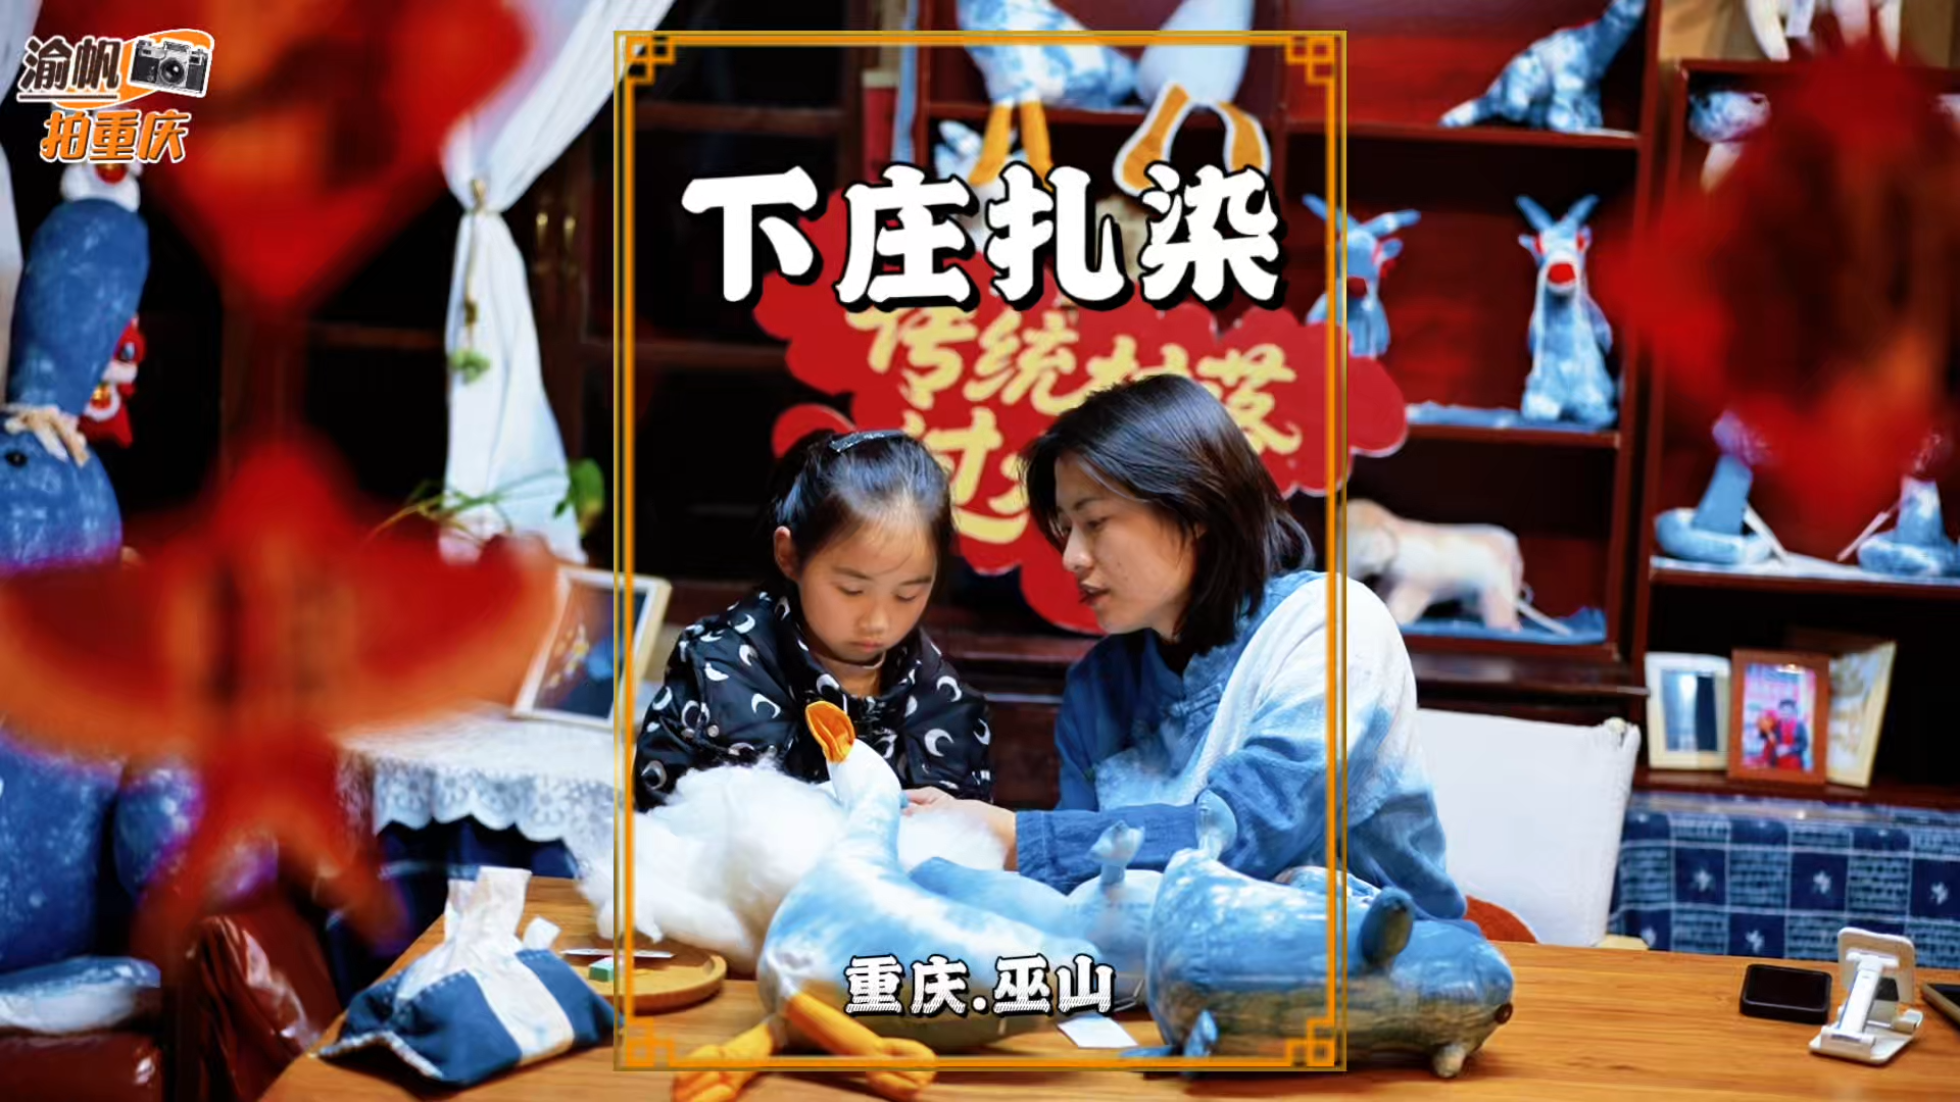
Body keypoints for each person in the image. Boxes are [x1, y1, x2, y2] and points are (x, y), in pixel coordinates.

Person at [908, 375, 1467, 922]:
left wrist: (1015, 836)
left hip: (1379, 964)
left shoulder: (1330, 626)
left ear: (1194, 509)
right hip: (1166, 966)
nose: (1072, 556)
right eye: (1066, 527)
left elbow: (1245, 835)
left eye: (1095, 521)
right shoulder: (1098, 685)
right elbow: (1083, 897)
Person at [632, 428, 993, 811]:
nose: (878, 621)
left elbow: (968, 837)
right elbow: (659, 823)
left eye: (907, 594)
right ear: (789, 555)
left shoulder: (945, 702)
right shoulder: (715, 672)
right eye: (852, 590)